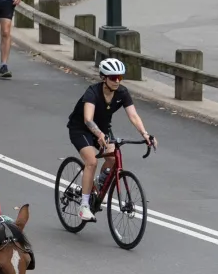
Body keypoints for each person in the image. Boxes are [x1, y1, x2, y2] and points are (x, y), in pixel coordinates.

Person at [66, 58, 157, 222]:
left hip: (103, 129)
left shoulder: (122, 93)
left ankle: (99, 185)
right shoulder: (92, 92)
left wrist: (145, 134)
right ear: (103, 78)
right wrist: (99, 134)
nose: (117, 81)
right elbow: (87, 119)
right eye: (113, 77)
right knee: (92, 162)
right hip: (81, 128)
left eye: (120, 78)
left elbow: (134, 116)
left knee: (114, 157)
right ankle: (84, 206)